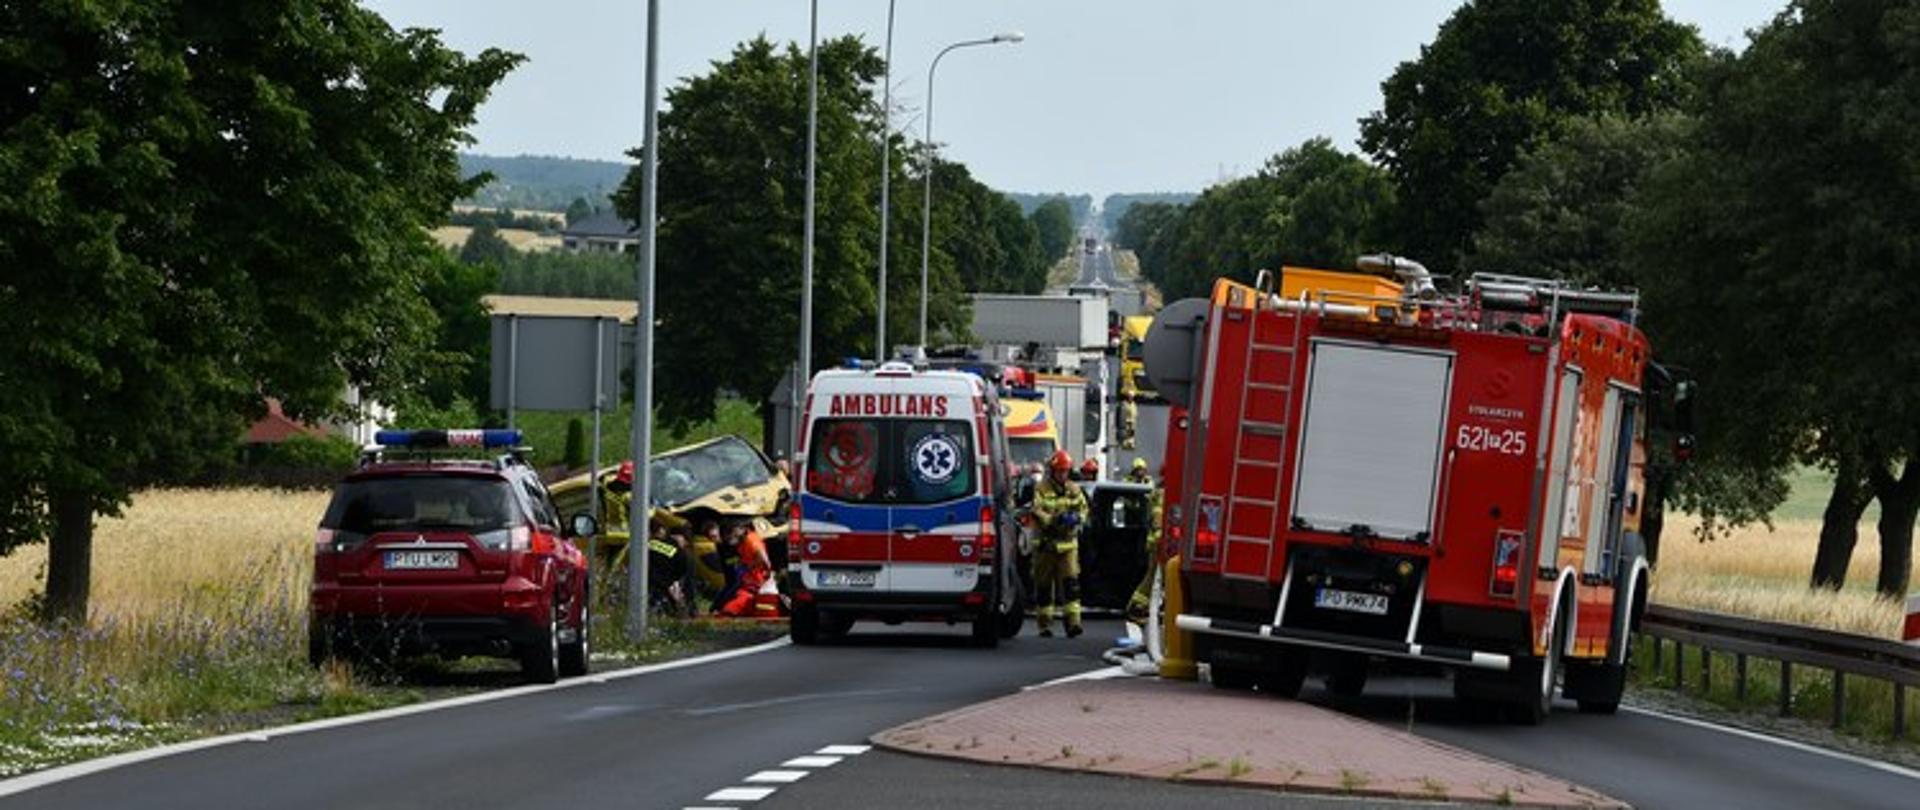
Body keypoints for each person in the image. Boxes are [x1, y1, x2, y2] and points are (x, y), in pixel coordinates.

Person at [1030, 449, 1089, 638]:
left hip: (1068, 546)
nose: (1063, 474)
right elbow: (1036, 510)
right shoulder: (1041, 489)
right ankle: (1045, 625)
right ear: (1053, 471)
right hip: (1046, 546)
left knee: (1071, 586)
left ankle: (1073, 624)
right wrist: (1054, 520)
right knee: (1044, 587)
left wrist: (1076, 518)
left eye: (1065, 471)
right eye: (1060, 471)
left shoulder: (1074, 489)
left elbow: (1084, 509)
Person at [1126, 465, 1165, 625]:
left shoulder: (1158, 490)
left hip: (1157, 541)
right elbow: (1158, 519)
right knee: (1154, 578)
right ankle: (1136, 608)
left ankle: (1143, 608)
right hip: (1159, 542)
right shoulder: (1162, 493)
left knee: (1155, 578)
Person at [717, 521, 777, 617]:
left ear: (736, 530)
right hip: (751, 579)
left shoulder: (751, 540)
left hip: (757, 580)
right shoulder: (744, 541)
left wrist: (749, 567)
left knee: (743, 598)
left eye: (729, 536)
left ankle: (726, 612)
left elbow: (763, 559)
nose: (729, 540)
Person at [646, 508, 692, 615]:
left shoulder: (643, 546)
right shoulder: (673, 547)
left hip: (649, 584)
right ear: (661, 530)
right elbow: (683, 566)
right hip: (667, 586)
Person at [600, 460, 635, 532]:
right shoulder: (628, 496)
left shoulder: (606, 489)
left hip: (610, 528)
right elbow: (646, 514)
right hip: (624, 530)